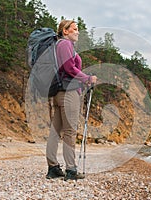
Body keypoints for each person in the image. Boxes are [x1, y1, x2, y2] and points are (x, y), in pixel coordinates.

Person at [46, 19, 97, 181]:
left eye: (78, 29)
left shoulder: (58, 45)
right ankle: (71, 170)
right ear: (65, 31)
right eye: (74, 29)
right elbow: (69, 68)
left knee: (56, 131)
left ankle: (53, 167)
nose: (77, 31)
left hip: (59, 93)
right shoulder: (65, 44)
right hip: (69, 93)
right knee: (69, 131)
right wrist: (87, 78)